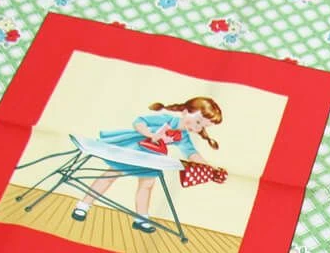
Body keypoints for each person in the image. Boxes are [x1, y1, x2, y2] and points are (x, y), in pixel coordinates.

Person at [71, 97, 225, 232]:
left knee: (147, 184)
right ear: (185, 112)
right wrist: (151, 134)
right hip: (133, 149)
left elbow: (191, 153)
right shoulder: (166, 120)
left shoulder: (183, 136)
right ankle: (83, 205)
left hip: (151, 157)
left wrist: (210, 168)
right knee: (110, 175)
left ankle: (141, 218)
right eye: (197, 122)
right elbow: (138, 122)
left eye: (202, 126)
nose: (197, 128)